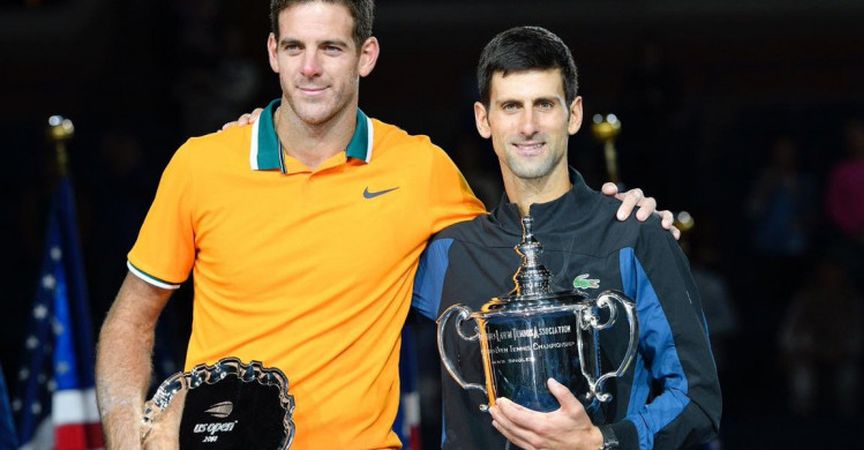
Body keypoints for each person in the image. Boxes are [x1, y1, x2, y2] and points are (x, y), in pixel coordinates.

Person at [95, 2, 670, 449]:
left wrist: (622, 221)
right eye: (294, 47)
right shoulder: (202, 165)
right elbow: (130, 322)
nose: (310, 67)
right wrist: (130, 436)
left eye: (331, 47)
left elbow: (525, 255)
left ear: (366, 55)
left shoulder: (419, 169)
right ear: (272, 52)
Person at [412, 27, 721, 450]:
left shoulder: (635, 235)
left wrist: (603, 442)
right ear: (484, 120)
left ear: (573, 114)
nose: (528, 125)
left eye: (544, 104)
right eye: (510, 106)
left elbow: (697, 401)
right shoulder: (448, 253)